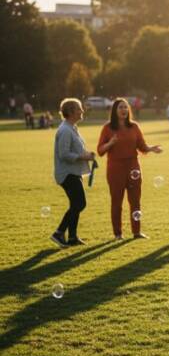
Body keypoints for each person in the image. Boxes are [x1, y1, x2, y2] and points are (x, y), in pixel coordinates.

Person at [97, 98, 163, 240]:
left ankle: (136, 232)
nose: (124, 110)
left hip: (133, 166)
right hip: (115, 168)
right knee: (116, 201)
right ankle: (118, 234)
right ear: (115, 110)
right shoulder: (108, 128)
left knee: (135, 201)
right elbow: (100, 151)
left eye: (126, 107)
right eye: (121, 107)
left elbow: (142, 146)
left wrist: (151, 149)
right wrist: (110, 143)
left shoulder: (134, 127)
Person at [51, 98, 96, 247]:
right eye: (79, 109)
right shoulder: (65, 130)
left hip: (74, 172)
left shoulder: (72, 128)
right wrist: (83, 156)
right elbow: (64, 154)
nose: (82, 111)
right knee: (79, 203)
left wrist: (87, 154)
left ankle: (72, 237)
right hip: (67, 173)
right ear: (70, 112)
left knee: (75, 204)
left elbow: (76, 150)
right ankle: (58, 233)